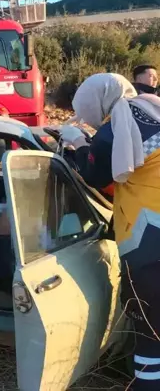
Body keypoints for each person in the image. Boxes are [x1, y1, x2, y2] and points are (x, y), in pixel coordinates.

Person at [59, 73, 160, 390]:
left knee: (149, 333)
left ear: (96, 101)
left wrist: (76, 142)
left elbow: (94, 171)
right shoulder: (153, 109)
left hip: (149, 245)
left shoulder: (116, 125)